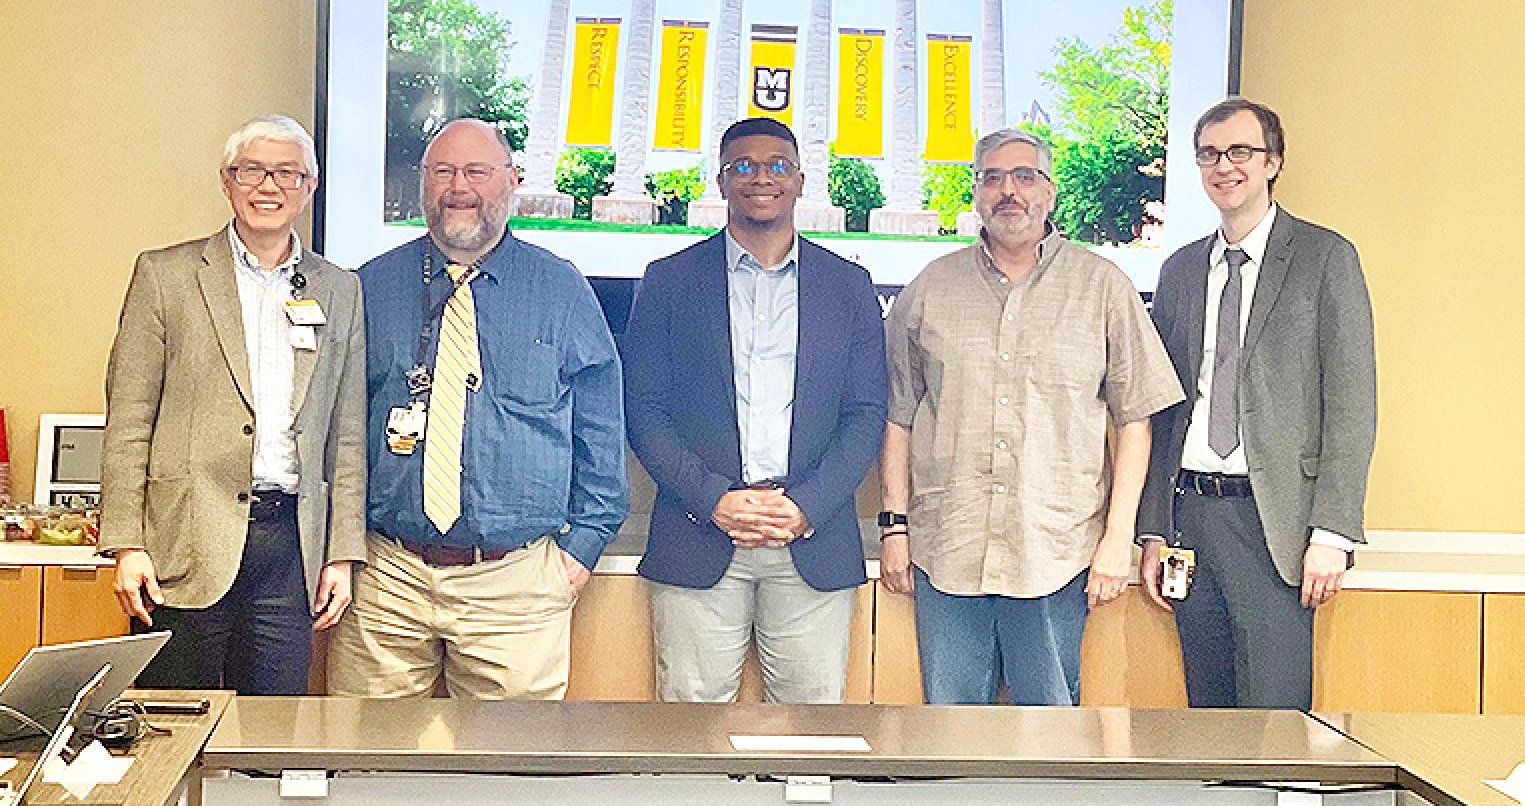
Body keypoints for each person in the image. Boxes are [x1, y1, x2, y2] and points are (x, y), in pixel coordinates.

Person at [879, 127, 1183, 705]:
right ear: (976, 193)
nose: (1008, 191)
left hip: (1055, 553)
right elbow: (898, 416)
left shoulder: (1103, 287)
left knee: (1049, 732)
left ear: (1049, 191)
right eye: (992, 178)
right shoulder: (928, 289)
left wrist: (1118, 537)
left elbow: (1136, 421)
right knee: (947, 734)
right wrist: (895, 527)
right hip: (947, 550)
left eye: (1024, 176)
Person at [328, 118, 627, 699]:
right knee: (365, 748)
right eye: (442, 171)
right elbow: (338, 428)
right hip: (387, 579)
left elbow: (601, 431)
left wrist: (582, 549)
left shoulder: (561, 290)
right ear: (423, 182)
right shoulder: (370, 286)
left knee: (509, 754)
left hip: (515, 584)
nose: (458, 186)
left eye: (476, 171)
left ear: (512, 181)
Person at [99, 114, 366, 694]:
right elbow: (128, 420)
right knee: (174, 720)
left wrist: (341, 554)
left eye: (287, 173)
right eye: (252, 171)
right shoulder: (165, 275)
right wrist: (127, 543)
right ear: (227, 181)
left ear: (310, 187)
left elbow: (346, 433)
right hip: (183, 540)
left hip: (289, 546)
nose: (269, 186)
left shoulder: (339, 289)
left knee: (274, 729)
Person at [624, 117, 888, 703]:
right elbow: (644, 410)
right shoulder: (669, 281)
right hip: (699, 533)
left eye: (777, 166)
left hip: (810, 538)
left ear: (800, 181)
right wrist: (713, 499)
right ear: (721, 181)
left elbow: (866, 413)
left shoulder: (847, 286)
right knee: (690, 728)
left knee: (810, 730)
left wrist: (805, 505)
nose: (760, 177)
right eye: (742, 166)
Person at [1136, 97, 1376, 710]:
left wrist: (1332, 532)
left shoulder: (1326, 258)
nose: (1224, 166)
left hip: (1276, 525)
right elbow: (1163, 409)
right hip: (1191, 519)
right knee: (1208, 718)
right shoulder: (1181, 270)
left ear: (1273, 162)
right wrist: (1154, 529)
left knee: (1276, 719)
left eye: (1240, 151)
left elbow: (1351, 404)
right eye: (1209, 154)